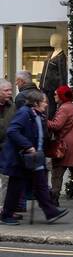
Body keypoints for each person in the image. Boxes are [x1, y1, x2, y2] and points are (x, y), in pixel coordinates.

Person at [0, 90, 68, 225]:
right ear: (35, 103)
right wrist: (28, 146)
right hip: (21, 158)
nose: (46, 104)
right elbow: (12, 131)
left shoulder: (37, 114)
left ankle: (51, 212)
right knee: (16, 187)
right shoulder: (24, 113)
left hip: (35, 157)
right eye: (44, 101)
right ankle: (6, 215)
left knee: (40, 184)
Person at [0, 80, 14, 208]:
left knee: (6, 179)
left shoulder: (12, 106)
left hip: (6, 149)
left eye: (10, 90)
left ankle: (3, 208)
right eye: (6, 90)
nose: (10, 93)